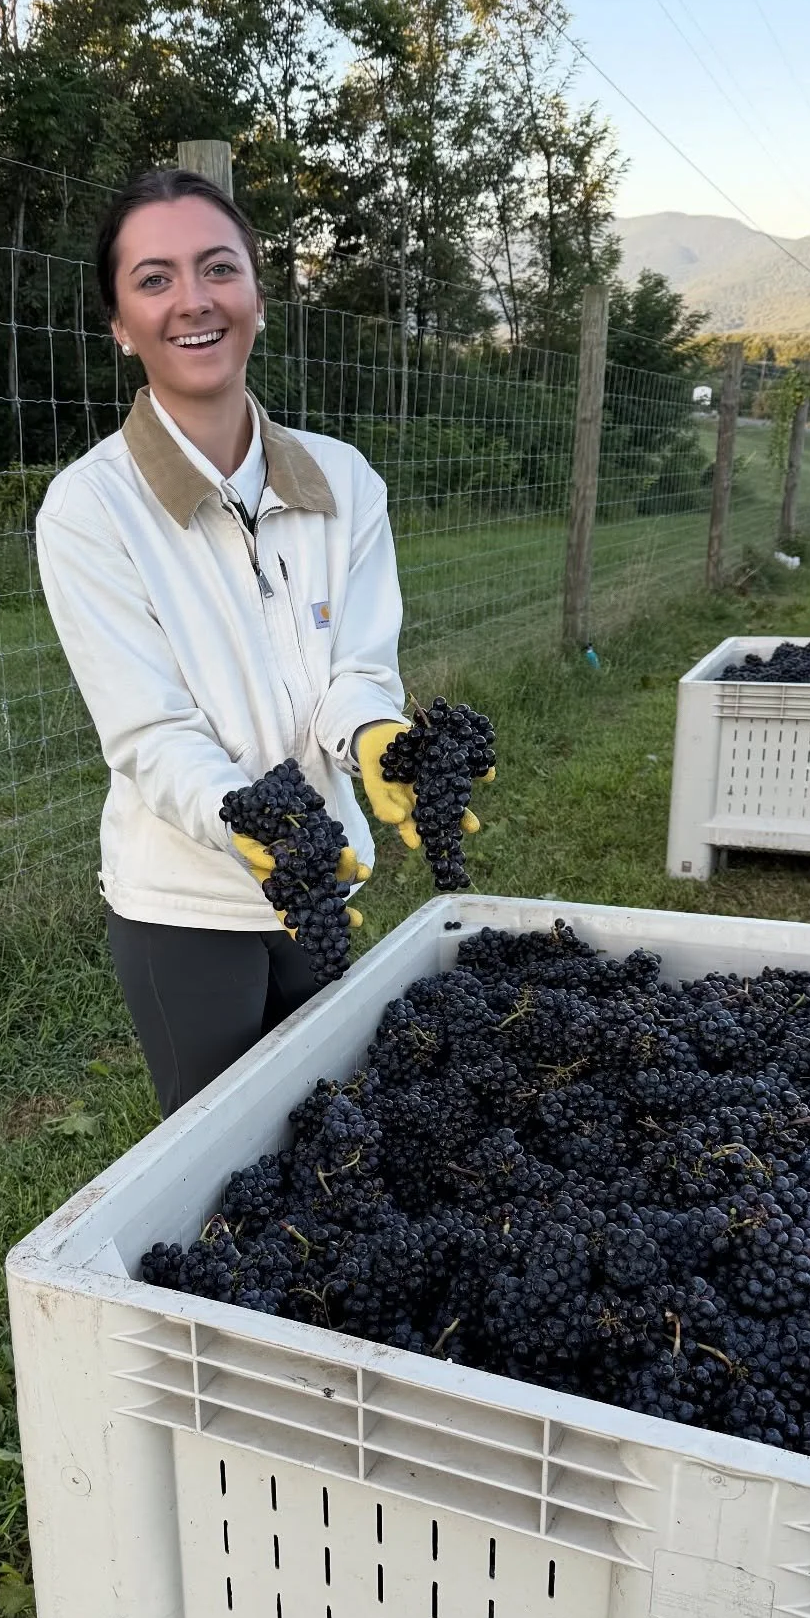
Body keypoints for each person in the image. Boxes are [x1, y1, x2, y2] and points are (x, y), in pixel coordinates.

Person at [37, 168, 478, 1117]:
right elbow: (149, 733)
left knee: (330, 1125)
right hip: (185, 902)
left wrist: (374, 741)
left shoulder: (344, 481)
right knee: (219, 1160)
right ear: (119, 323)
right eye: (153, 280)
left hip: (324, 863)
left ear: (258, 298)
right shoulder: (90, 510)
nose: (192, 301)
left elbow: (357, 670)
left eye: (218, 269)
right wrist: (250, 819)